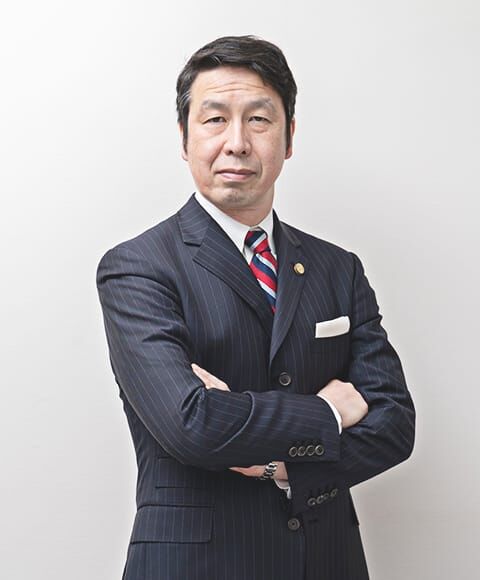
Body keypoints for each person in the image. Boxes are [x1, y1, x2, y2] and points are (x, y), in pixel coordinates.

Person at [96, 35, 415, 580]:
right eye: (215, 119)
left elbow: (394, 423)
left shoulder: (338, 268)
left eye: (259, 120)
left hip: (325, 560)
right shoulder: (137, 267)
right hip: (194, 565)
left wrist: (285, 468)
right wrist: (330, 413)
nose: (237, 142)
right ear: (184, 137)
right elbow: (191, 424)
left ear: (289, 138)